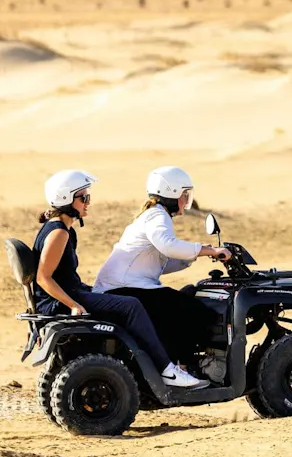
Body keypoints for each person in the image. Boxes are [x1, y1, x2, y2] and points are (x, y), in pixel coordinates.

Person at [32, 168, 209, 390]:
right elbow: (42, 278)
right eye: (83, 197)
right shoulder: (59, 233)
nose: (88, 202)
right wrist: (74, 305)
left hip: (70, 293)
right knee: (132, 305)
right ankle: (167, 370)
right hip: (58, 301)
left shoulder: (66, 231)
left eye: (88, 197)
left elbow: (61, 277)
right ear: (66, 199)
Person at [92, 165, 231, 371]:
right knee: (200, 313)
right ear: (171, 193)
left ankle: (179, 364)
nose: (186, 201)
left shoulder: (152, 214)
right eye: (184, 195)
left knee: (187, 297)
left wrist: (198, 255)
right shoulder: (157, 216)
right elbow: (168, 245)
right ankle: (183, 368)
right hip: (123, 290)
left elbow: (160, 261)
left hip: (124, 287)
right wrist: (207, 250)